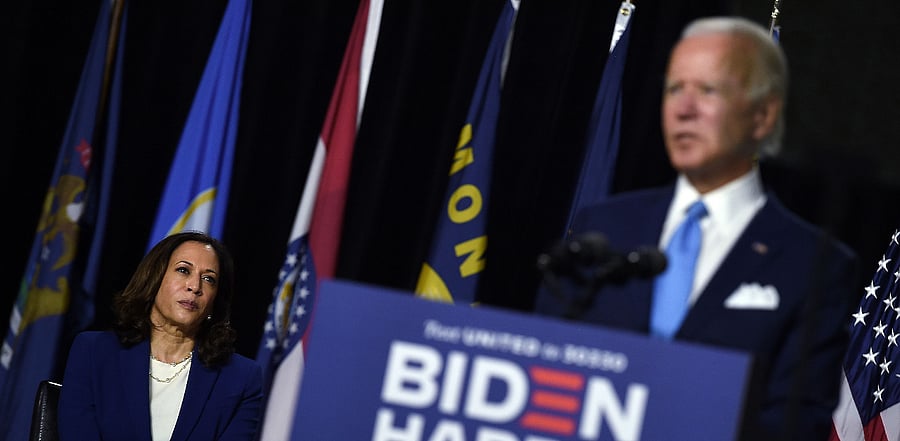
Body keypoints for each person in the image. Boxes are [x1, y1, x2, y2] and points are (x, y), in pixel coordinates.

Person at [534, 16, 859, 440]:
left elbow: (793, 425)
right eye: (674, 89)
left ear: (762, 116)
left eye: (708, 90)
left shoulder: (815, 265)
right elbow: (546, 370)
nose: (683, 108)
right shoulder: (605, 226)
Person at [58, 231, 264, 440]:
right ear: (154, 279)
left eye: (209, 279)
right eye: (183, 270)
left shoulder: (242, 378)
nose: (195, 287)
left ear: (215, 299)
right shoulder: (94, 352)